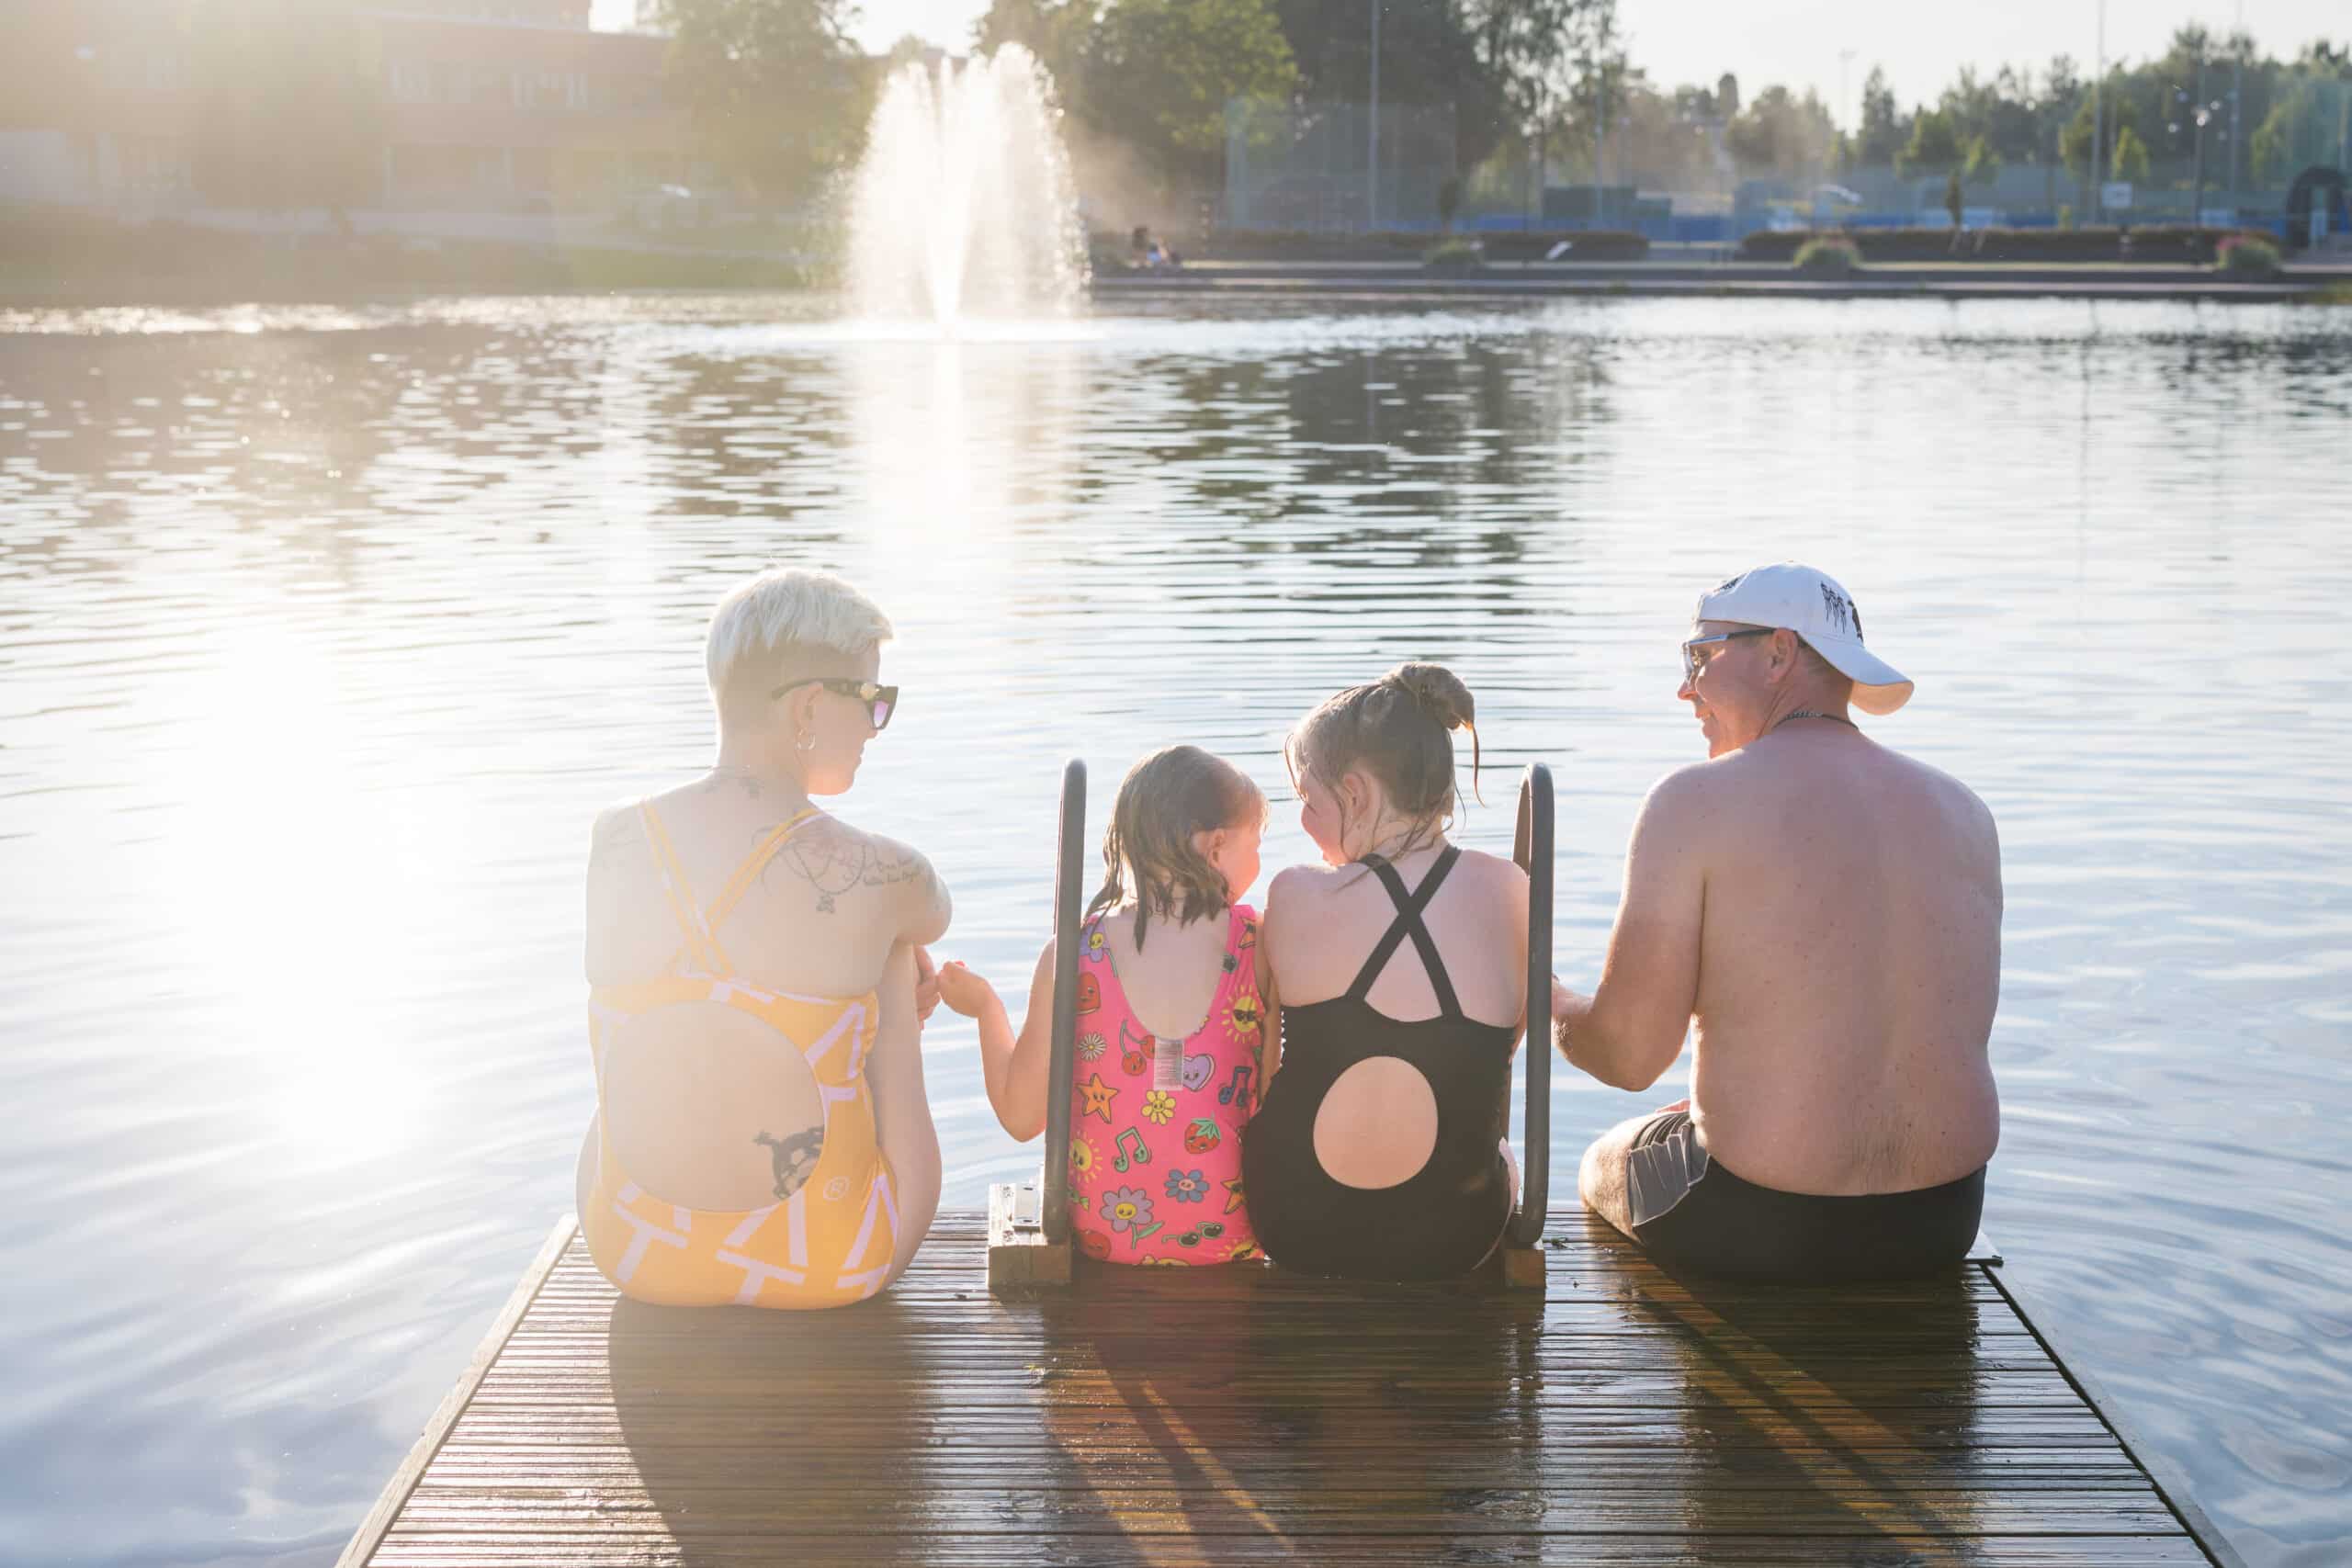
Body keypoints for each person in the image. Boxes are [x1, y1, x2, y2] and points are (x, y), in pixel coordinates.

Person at [1554, 562, 2001, 1282]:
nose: (1685, 687)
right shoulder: (1966, 812)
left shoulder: (1692, 803)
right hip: (1943, 1220)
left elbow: (1629, 1057)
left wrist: (1550, 1001)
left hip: (1764, 1224)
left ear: (1779, 652)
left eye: (1700, 657)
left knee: (1601, 1160)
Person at [576, 567, 950, 1307]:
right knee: (895, 954)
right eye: (874, 700)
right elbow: (932, 914)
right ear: (810, 703)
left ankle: (672, 1218)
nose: (878, 725)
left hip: (633, 1249)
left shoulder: (616, 837)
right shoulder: (884, 868)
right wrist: (885, 979)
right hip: (827, 1266)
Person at [1244, 664, 1530, 1280]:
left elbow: (1265, 1076)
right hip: (1455, 1237)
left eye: (1306, 800)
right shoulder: (1511, 891)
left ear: (1356, 794)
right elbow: (1499, 1056)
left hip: (1293, 1223)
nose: (1301, 822)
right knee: (1502, 1147)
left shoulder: (1294, 894)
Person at [939, 746, 1270, 1265]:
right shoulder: (1259, 946)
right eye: (1258, 843)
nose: (1259, 861)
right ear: (1217, 846)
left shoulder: (1074, 952)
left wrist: (985, 1009)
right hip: (1231, 1230)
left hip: (1106, 1233)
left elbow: (1022, 1118)